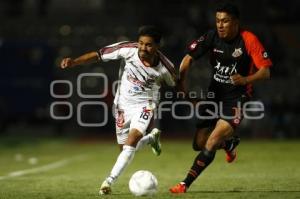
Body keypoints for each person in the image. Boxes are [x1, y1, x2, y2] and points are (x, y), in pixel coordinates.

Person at [60, 26, 176, 195]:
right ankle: (151, 138)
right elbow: (99, 55)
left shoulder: (166, 67)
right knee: (125, 149)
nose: (143, 48)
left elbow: (175, 82)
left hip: (145, 105)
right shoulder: (127, 49)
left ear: (158, 46)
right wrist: (74, 62)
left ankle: (108, 181)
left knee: (132, 141)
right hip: (122, 106)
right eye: (141, 43)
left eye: (149, 45)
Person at [170, 2, 272, 193]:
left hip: (237, 97)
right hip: (214, 94)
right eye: (218, 21)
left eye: (225, 21)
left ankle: (184, 184)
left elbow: (265, 72)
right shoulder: (211, 37)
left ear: (235, 22)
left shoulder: (248, 40)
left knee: (211, 140)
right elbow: (188, 58)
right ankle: (229, 143)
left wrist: (245, 79)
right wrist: (182, 86)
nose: (220, 25)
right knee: (198, 144)